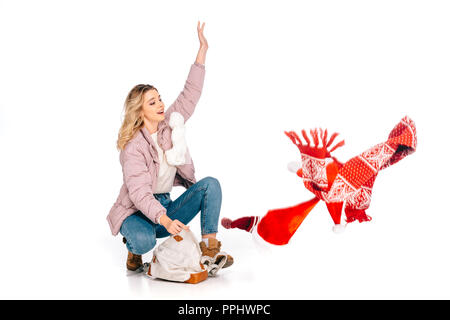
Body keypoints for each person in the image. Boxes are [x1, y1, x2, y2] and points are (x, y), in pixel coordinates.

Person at [107, 21, 233, 271]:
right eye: (152, 103)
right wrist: (163, 219)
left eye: (159, 99)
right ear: (140, 111)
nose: (161, 105)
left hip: (165, 205)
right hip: (136, 211)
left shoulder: (169, 124)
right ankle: (134, 250)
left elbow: (190, 94)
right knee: (145, 241)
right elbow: (140, 194)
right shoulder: (133, 147)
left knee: (210, 185)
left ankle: (209, 250)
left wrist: (202, 52)